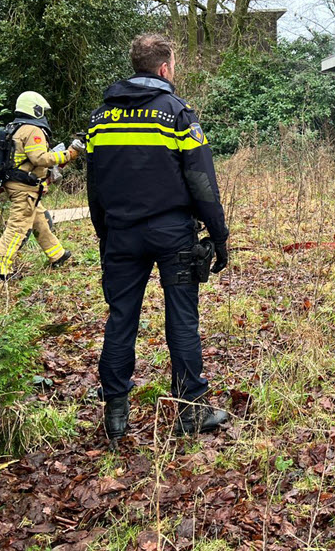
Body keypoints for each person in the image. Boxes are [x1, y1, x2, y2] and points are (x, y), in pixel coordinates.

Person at [86, 33, 230, 444]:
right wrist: (218, 236)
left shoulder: (99, 120)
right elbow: (202, 182)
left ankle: (115, 413)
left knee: (121, 319)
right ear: (165, 68)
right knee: (182, 319)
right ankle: (190, 411)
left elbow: (93, 188)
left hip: (120, 236)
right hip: (173, 235)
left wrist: (106, 234)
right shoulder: (178, 114)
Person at [0, 91, 84, 281]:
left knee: (40, 221)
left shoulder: (16, 127)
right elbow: (39, 158)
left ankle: (57, 255)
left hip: (22, 185)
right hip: (24, 188)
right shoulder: (33, 130)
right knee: (18, 228)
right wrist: (68, 155)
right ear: (35, 109)